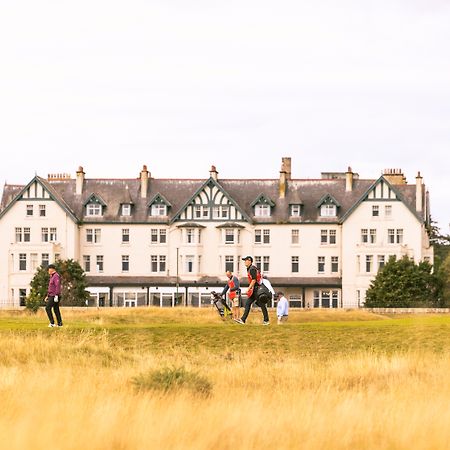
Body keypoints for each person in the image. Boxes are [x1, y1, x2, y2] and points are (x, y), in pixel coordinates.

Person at [234, 256, 269, 325]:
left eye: (245, 260)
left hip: (256, 289)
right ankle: (243, 319)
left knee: (261, 304)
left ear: (249, 261)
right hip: (255, 289)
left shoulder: (252, 269)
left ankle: (266, 320)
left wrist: (248, 289)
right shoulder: (250, 268)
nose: (244, 262)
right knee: (248, 304)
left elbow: (254, 280)